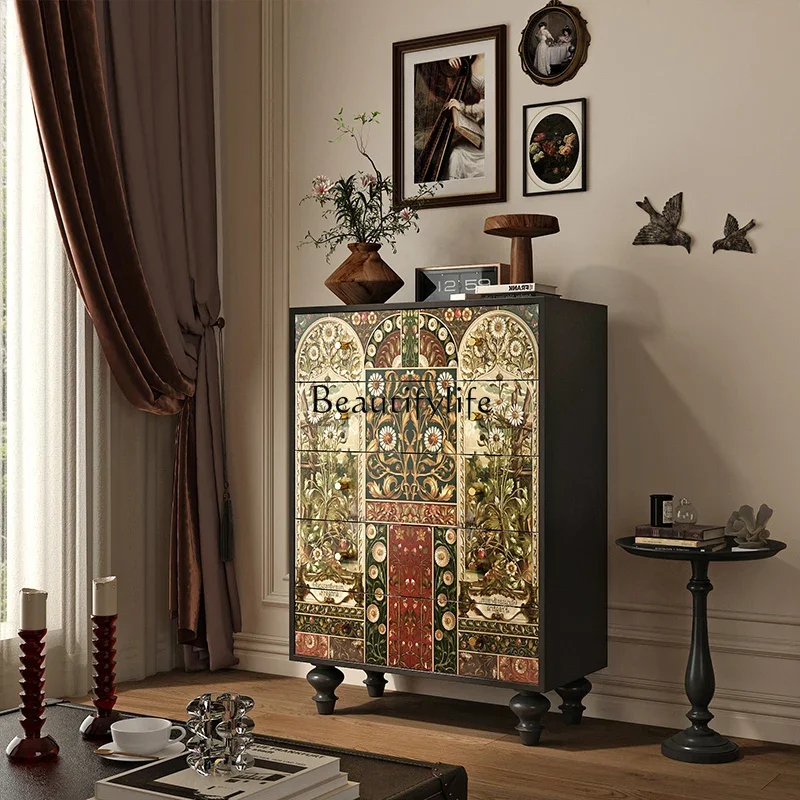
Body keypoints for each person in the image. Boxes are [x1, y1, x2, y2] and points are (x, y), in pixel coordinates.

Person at [443, 54, 486, 180]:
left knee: (458, 154)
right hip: (480, 119)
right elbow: (454, 89)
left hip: (493, 123)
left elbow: (492, 102)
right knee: (455, 153)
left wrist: (463, 108)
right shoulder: (469, 61)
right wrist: (452, 64)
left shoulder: (493, 56)